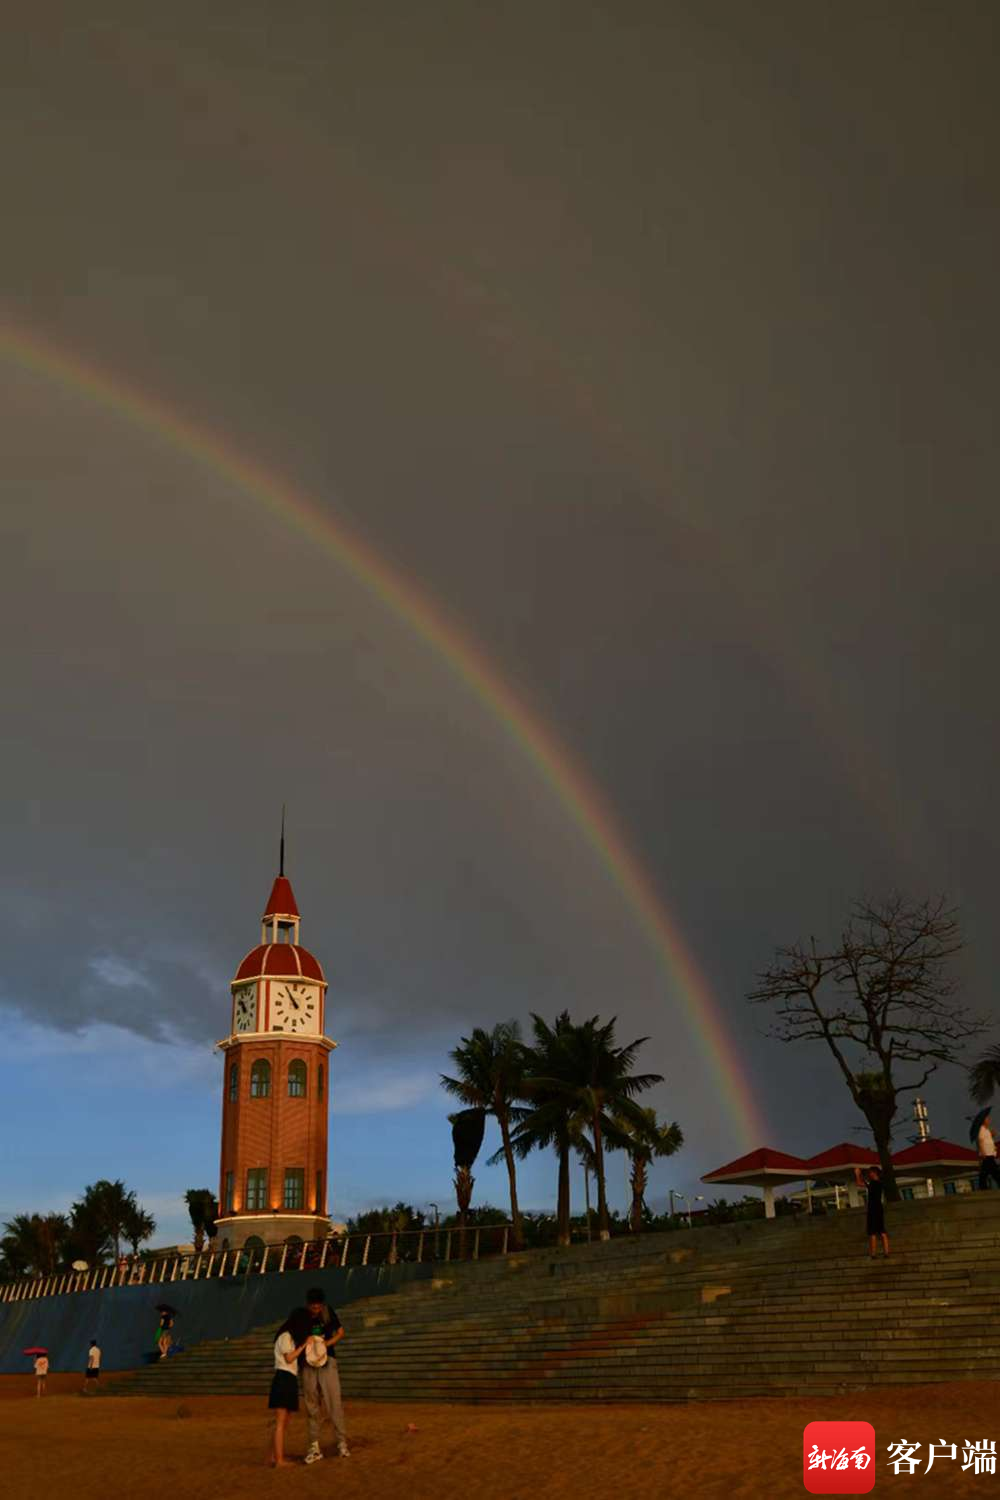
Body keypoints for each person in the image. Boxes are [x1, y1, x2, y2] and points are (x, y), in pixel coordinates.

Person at [292, 1286, 349, 1462]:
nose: (316, 1308)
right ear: (308, 1304)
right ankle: (314, 1446)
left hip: (327, 1361)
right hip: (308, 1364)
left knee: (334, 1403)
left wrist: (326, 1344)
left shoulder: (328, 1312)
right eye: (313, 1305)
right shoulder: (301, 1316)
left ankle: (341, 1442)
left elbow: (341, 1332)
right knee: (312, 1406)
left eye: (318, 1305)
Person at [268, 1319, 307, 1468]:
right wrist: (303, 1345)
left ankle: (273, 1456)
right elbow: (289, 1358)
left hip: (289, 1378)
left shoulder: (289, 1337)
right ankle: (279, 1460)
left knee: (284, 1422)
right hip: (283, 1378)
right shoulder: (285, 1336)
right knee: (280, 1422)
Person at [854, 1165, 889, 1259]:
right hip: (878, 1208)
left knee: (873, 1231)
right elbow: (862, 1184)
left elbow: (859, 1183)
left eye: (870, 1172)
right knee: (881, 1230)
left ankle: (873, 1254)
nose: (869, 1174)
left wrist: (857, 1174)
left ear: (874, 1173)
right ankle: (886, 1252)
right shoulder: (879, 1183)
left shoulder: (874, 1183)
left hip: (873, 1208)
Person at [978, 1115, 1000, 1189]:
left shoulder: (987, 1130)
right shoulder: (981, 1129)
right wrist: (983, 1152)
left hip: (990, 1153)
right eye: (987, 1119)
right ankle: (983, 1186)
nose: (989, 1120)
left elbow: (988, 1140)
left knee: (986, 1171)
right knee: (994, 1171)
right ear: (983, 1121)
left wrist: (992, 1135)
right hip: (987, 1153)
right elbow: (980, 1141)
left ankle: (982, 1186)